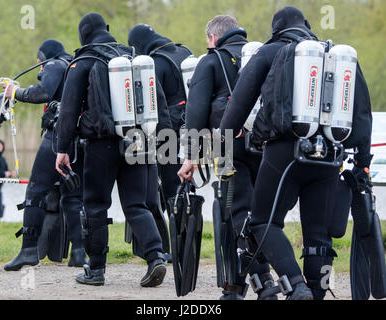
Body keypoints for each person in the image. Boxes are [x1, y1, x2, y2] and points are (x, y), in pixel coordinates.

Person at [219, 6, 372, 300]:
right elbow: (363, 116)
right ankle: (314, 293)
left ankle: (295, 284)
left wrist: (223, 151)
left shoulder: (270, 51)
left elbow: (237, 106)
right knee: (318, 235)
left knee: (263, 223)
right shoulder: (337, 59)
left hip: (283, 154)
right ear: (307, 26)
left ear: (276, 29)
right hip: (329, 156)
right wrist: (362, 166)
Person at [55, 12, 167, 287]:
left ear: (84, 33)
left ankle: (96, 270)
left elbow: (68, 111)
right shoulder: (132, 57)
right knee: (136, 204)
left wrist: (62, 148)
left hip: (101, 143)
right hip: (138, 139)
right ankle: (156, 257)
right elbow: (158, 101)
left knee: (94, 205)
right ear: (106, 30)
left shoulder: (83, 61)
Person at [177, 15, 274, 300]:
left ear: (213, 38)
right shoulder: (261, 56)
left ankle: (262, 282)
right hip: (267, 147)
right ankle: (235, 286)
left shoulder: (210, 61)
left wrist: (190, 158)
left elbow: (194, 114)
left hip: (230, 149)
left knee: (237, 214)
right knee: (257, 214)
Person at [4, 39, 87, 271]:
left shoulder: (55, 64)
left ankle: (29, 250)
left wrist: (15, 92)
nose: (41, 68)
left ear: (46, 56)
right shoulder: (75, 65)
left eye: (40, 63)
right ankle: (79, 252)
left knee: (35, 190)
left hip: (57, 139)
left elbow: (43, 92)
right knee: (72, 197)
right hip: (80, 139)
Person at [128, 24, 193, 205]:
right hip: (192, 125)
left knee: (171, 186)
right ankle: (189, 228)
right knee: (187, 178)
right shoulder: (184, 52)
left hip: (169, 131)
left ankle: (173, 230)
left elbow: (151, 103)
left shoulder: (155, 62)